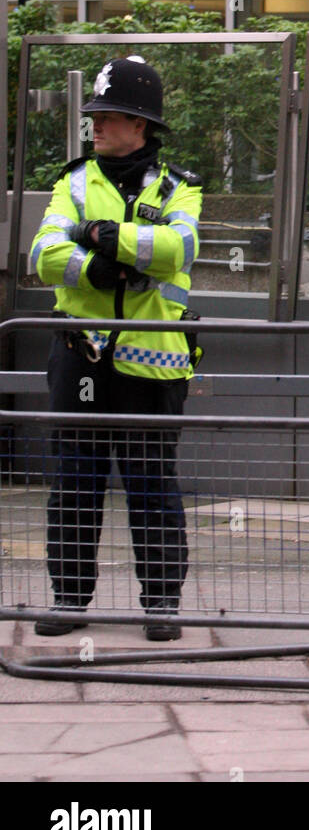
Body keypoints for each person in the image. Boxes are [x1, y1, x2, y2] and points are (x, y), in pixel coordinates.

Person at [30, 55, 202, 642]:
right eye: (95, 116)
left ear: (141, 125)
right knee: (75, 483)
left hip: (153, 363)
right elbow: (44, 255)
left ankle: (161, 605)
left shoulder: (181, 188)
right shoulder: (72, 182)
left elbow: (175, 250)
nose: (96, 125)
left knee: (152, 484)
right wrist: (101, 272)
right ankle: (69, 599)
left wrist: (101, 234)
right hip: (80, 358)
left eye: (108, 115)